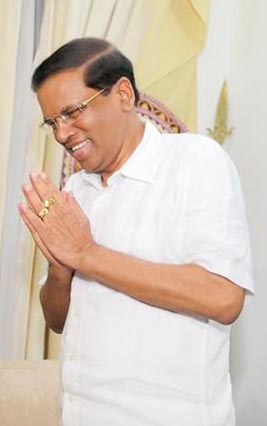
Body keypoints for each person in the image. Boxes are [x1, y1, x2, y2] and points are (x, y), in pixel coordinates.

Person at [18, 38, 253, 426]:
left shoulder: (195, 161)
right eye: (52, 122)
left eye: (72, 112)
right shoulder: (76, 190)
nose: (61, 134)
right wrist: (60, 268)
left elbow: (223, 296)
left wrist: (86, 253)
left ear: (123, 94)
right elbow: (58, 320)